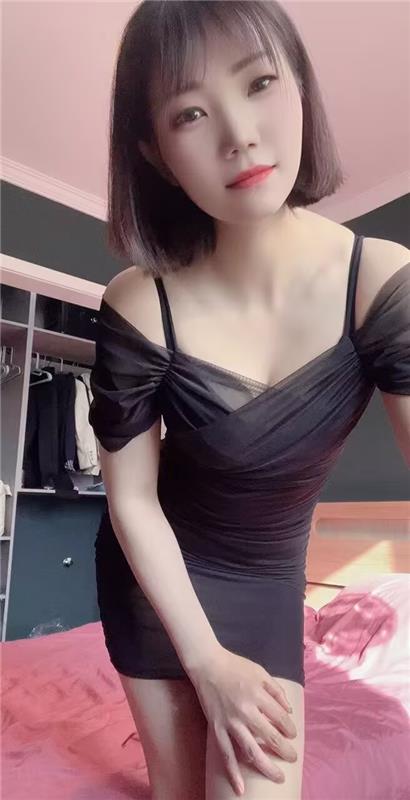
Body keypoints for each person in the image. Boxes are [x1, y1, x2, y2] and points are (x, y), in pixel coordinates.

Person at [88, 2, 410, 799]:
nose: (239, 135)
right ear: (156, 153)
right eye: (190, 114)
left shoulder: (377, 283)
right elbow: (131, 500)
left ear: (299, 85)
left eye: (260, 83)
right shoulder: (140, 301)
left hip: (266, 583)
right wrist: (206, 663)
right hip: (154, 577)